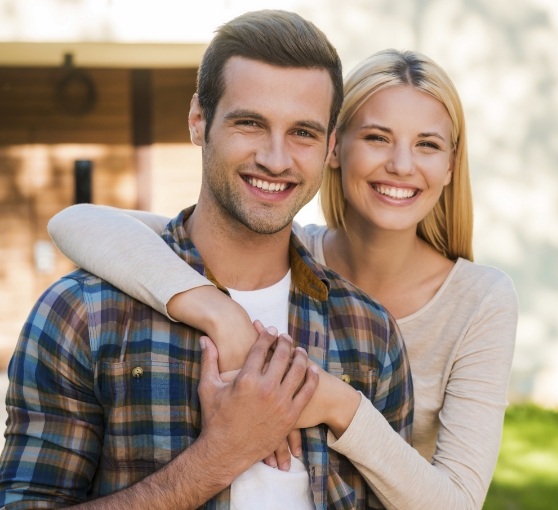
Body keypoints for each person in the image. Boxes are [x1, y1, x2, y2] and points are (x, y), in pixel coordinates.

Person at [47, 47, 519, 510]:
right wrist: (223, 316)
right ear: (336, 149)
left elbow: (458, 502)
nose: (400, 164)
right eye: (376, 137)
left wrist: (337, 404)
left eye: (427, 144)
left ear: (452, 164)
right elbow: (79, 223)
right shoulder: (290, 253)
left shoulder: (480, 299)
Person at [0, 11, 414, 510]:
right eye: (249, 123)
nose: (276, 159)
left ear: (329, 147)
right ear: (199, 120)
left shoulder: (368, 332)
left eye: (302, 133)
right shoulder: (84, 314)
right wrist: (219, 457)